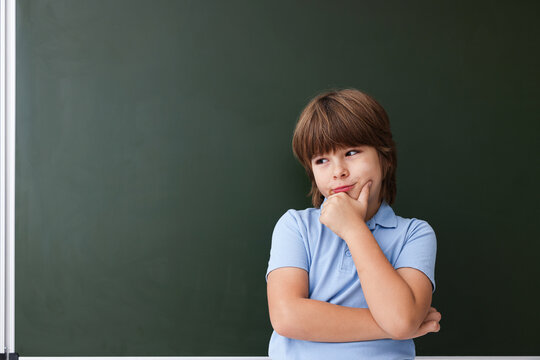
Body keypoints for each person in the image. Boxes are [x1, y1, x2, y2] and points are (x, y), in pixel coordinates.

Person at [265, 88, 441, 359]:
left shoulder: (415, 234)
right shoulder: (296, 226)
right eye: (322, 160)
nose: (338, 171)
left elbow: (401, 320)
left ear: (384, 157)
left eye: (351, 152)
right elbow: (287, 317)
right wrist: (395, 327)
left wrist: (353, 228)